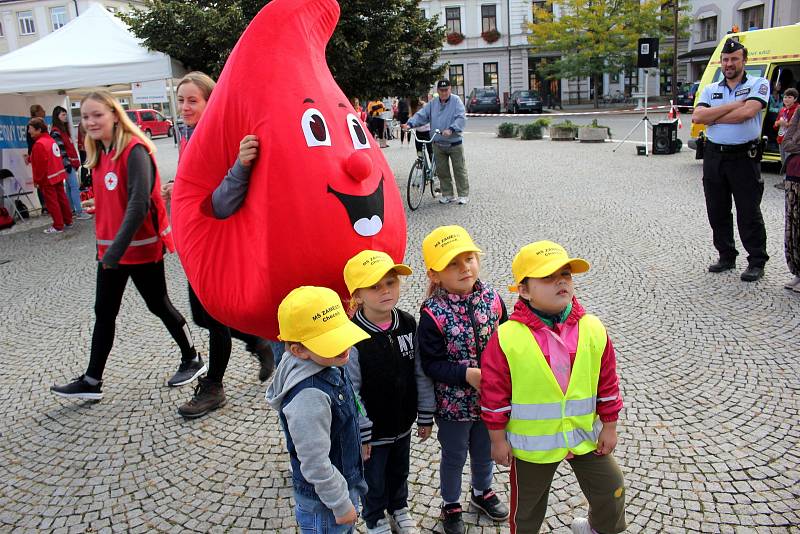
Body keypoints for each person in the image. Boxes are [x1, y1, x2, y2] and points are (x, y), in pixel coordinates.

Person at [50, 91, 204, 400]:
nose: (90, 122)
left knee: (158, 304)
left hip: (139, 249)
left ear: (114, 116)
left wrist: (114, 252)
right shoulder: (100, 152)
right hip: (112, 251)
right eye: (86, 117)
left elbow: (138, 205)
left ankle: (193, 357)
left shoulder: (134, 150)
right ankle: (92, 381)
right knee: (104, 311)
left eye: (98, 115)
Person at [480, 241, 626, 534]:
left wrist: (609, 425)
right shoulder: (507, 337)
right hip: (534, 445)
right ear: (524, 290)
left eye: (566, 274)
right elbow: (494, 394)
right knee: (528, 510)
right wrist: (497, 440)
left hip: (583, 435)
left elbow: (607, 382)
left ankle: (597, 528)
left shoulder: (593, 328)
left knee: (612, 488)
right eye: (547, 276)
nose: (561, 281)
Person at [160, 71, 275, 418]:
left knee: (212, 315)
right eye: (180, 100)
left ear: (212, 102)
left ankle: (214, 386)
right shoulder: (189, 136)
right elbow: (196, 181)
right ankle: (257, 342)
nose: (184, 107)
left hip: (221, 236)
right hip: (200, 236)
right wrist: (176, 187)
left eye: (192, 100)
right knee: (202, 312)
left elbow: (225, 196)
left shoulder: (223, 137)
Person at [417, 225, 509, 534]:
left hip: (491, 402)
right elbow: (430, 363)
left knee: (484, 451)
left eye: (468, 258)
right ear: (434, 274)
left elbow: (510, 340)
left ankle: (482, 492)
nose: (464, 268)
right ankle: (450, 503)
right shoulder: (432, 313)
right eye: (453, 264)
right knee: (454, 456)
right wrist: (465, 375)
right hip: (453, 406)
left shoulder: (493, 300)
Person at [342, 250, 435, 534]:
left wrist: (425, 413)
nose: (385, 290)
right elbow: (351, 390)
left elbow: (420, 369)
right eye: (375, 286)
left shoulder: (407, 323)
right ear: (357, 295)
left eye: (391, 282)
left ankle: (399, 508)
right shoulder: (353, 336)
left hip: (402, 422)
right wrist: (363, 431)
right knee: (374, 478)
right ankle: (374, 518)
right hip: (374, 430)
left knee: (399, 472)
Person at [266, 286, 370, 533]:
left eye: (341, 333)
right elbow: (314, 462)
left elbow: (350, 403)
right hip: (325, 507)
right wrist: (341, 504)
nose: (343, 345)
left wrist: (361, 432)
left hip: (341, 486)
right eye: (330, 341)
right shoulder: (309, 397)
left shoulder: (328, 361)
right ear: (298, 350)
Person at [691, 38, 771, 282]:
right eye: (726, 60)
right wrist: (734, 105)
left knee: (748, 210)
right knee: (717, 209)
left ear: (744, 61)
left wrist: (714, 116)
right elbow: (697, 116)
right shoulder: (710, 89)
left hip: (743, 157)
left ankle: (756, 260)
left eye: (734, 59)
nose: (729, 64)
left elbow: (747, 113)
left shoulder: (759, 83)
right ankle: (726, 255)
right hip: (715, 155)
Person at [403, 80, 470, 205]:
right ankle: (448, 194)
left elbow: (461, 117)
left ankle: (463, 194)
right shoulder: (432, 104)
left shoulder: (456, 101)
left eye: (446, 90)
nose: (444, 93)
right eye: (441, 90)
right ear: (438, 91)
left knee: (459, 169)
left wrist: (451, 129)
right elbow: (422, 115)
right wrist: (410, 124)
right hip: (438, 143)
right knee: (442, 171)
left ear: (450, 89)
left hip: (454, 142)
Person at [27, 117, 73, 234]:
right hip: (57, 174)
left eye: (31, 129)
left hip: (48, 178)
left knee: (52, 202)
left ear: (38, 130)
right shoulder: (50, 140)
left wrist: (37, 180)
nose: (29, 131)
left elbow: (39, 166)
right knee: (62, 198)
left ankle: (58, 226)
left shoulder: (39, 144)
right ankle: (68, 221)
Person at [50, 106, 92, 220]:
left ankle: (72, 210)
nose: (65, 117)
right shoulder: (56, 132)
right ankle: (79, 211)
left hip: (69, 163)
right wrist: (67, 164)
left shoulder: (63, 130)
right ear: (57, 116)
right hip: (66, 164)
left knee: (69, 187)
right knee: (74, 186)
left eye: (65, 115)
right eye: (62, 115)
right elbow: (60, 150)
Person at [779, 97, 800, 292]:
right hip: (793, 175)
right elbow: (786, 141)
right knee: (793, 226)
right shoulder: (799, 112)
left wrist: (795, 144)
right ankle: (798, 272)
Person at [774, 88, 799, 190]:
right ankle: (785, 180)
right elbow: (776, 125)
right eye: (785, 97)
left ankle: (789, 181)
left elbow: (795, 126)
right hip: (781, 138)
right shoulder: (782, 109)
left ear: (795, 99)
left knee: (790, 161)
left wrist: (786, 124)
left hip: (792, 141)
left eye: (789, 97)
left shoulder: (797, 110)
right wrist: (778, 123)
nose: (786, 99)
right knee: (783, 161)